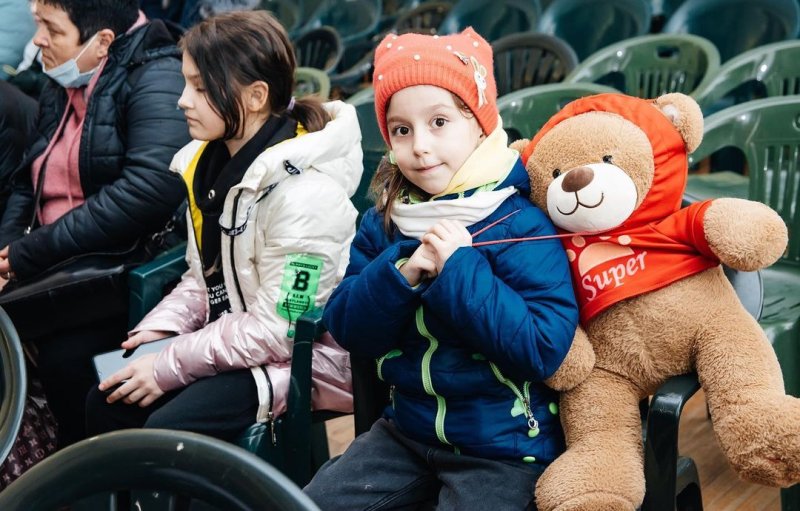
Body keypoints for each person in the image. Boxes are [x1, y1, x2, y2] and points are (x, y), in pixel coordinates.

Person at [304, 28, 580, 510]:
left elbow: (542, 349)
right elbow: (350, 328)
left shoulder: (520, 223)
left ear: (479, 124)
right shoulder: (386, 221)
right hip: (406, 433)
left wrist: (458, 269)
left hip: (506, 449)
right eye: (402, 130)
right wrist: (401, 272)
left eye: (438, 122)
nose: (420, 147)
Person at [85, 10, 360, 441]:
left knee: (167, 430)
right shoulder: (212, 166)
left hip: (297, 360)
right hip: (233, 339)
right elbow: (204, 278)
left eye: (199, 87)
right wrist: (160, 330)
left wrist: (168, 362)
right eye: (186, 83)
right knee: (107, 399)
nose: (182, 100)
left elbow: (281, 329)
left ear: (255, 96)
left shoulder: (306, 196)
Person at [0, 0, 189, 447]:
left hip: (115, 272)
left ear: (103, 41)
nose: (38, 41)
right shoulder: (63, 75)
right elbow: (28, 180)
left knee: (65, 359)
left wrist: (28, 254)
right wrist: (7, 250)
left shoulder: (157, 76)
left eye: (50, 28)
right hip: (54, 263)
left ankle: (70, 471)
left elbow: (148, 190)